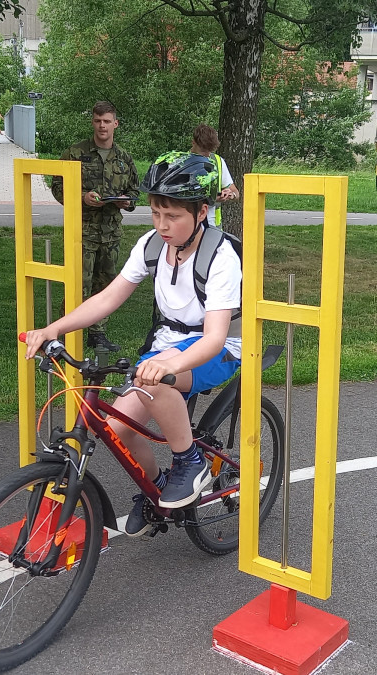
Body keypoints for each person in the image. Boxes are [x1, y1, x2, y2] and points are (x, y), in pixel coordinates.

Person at [25, 153, 241, 535]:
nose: (162, 225)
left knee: (156, 379)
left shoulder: (221, 256)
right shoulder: (152, 245)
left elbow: (214, 337)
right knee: (117, 429)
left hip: (219, 347)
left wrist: (170, 365)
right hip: (168, 345)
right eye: (156, 213)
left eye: (172, 216)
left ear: (202, 211)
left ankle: (190, 461)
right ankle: (156, 489)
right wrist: (52, 329)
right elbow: (107, 298)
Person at [50, 101, 141, 353]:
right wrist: (82, 197)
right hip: (83, 232)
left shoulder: (123, 158)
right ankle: (65, 334)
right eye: (98, 120)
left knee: (106, 285)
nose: (102, 126)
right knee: (78, 283)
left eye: (107, 121)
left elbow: (135, 190)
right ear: (93, 122)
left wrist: (126, 202)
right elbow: (57, 186)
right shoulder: (75, 153)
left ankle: (97, 333)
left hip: (111, 232)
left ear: (115, 124)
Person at [189, 123, 239, 227]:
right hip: (189, 223)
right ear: (193, 142)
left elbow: (236, 193)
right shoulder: (182, 163)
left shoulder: (218, 161)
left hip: (213, 225)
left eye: (210, 151)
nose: (207, 155)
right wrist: (210, 198)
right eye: (203, 151)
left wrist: (230, 194)